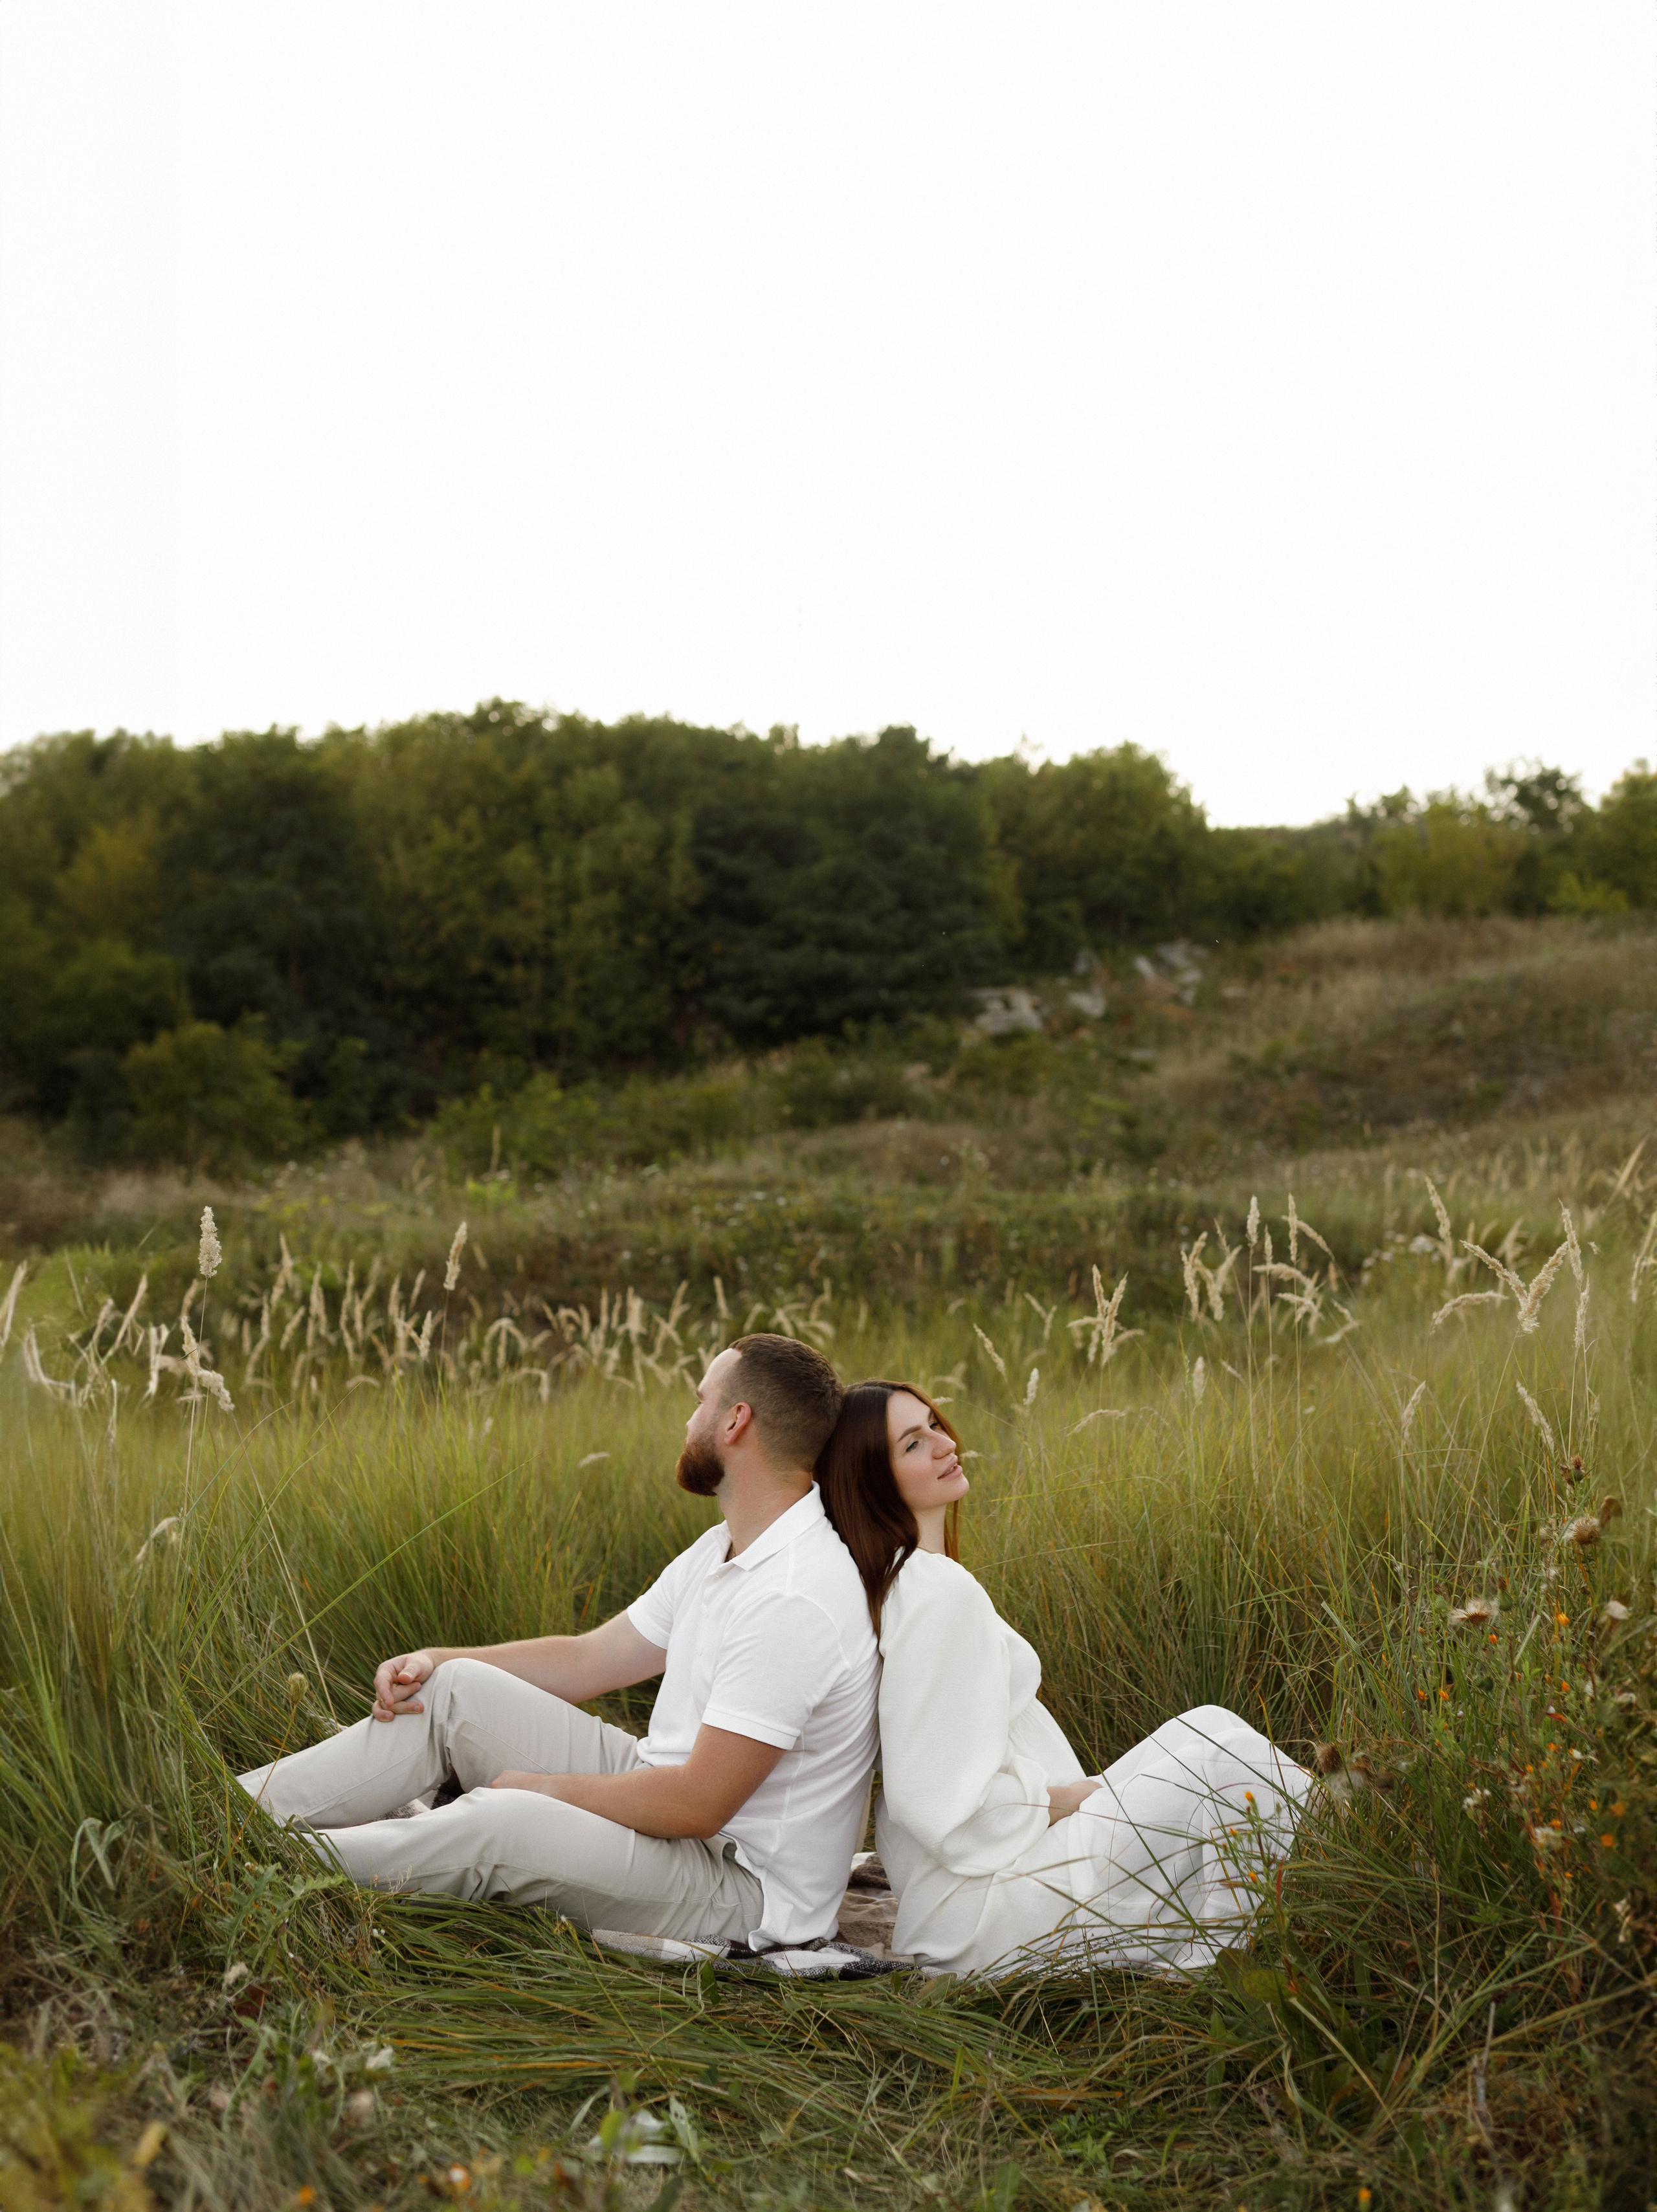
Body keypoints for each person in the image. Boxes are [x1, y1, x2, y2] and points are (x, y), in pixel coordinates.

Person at [238, 1334, 879, 1954]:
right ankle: (235, 1812)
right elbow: (588, 1658)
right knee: (454, 1691)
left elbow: (699, 1805)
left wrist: (545, 1789)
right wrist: (437, 1659)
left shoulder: (795, 1595)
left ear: (736, 1421)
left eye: (699, 1401)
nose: (689, 1421)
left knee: (501, 1824)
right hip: (658, 1788)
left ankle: (261, 1865)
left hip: (740, 1886)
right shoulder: (725, 1547)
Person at [816, 1380, 1312, 1978]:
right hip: (989, 1909)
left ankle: (1321, 1869)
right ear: (874, 1480)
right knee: (1229, 1764)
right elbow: (940, 1808)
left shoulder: (912, 1581)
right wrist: (1069, 1799)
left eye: (935, 1425)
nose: (946, 1444)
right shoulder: (935, 1593)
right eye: (913, 1444)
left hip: (1002, 1875)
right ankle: (1214, 1972)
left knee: (1209, 1727)